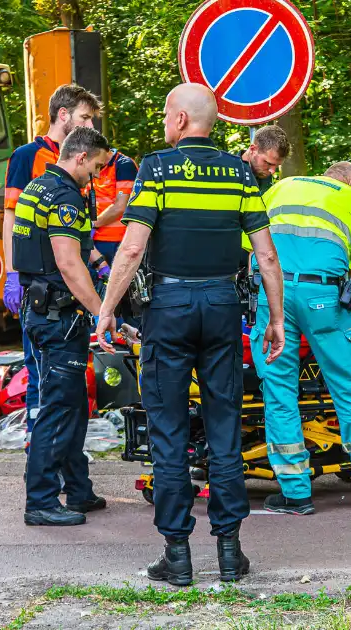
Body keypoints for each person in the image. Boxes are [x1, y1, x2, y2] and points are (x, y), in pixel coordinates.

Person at [95, 83, 287, 586]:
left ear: (180, 119)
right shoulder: (240, 173)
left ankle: (177, 555)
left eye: (165, 114)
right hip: (223, 307)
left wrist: (107, 310)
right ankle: (229, 552)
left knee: (169, 430)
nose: (163, 122)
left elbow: (133, 250)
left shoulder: (155, 169)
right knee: (224, 428)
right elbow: (266, 255)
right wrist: (277, 319)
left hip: (169, 308)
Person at [249, 162, 351, 516]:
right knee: (350, 386)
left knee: (278, 390)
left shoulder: (282, 186)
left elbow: (250, 243)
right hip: (322, 297)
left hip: (271, 292)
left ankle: (295, 493)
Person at [11, 127, 111, 525]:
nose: (99, 175)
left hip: (43, 310)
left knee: (72, 406)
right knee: (58, 408)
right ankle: (40, 501)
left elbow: (78, 250)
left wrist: (104, 267)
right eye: (98, 166)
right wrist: (102, 311)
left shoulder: (39, 187)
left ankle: (79, 490)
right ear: (81, 157)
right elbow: (69, 264)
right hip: (58, 316)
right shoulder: (66, 197)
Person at [1, 84, 102, 450]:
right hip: (44, 285)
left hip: (71, 283)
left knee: (68, 381)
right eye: (84, 116)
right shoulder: (29, 156)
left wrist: (99, 262)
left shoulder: (79, 161)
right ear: (63, 115)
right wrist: (12, 274)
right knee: (42, 375)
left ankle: (65, 461)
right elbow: (12, 217)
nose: (89, 123)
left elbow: (73, 229)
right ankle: (38, 448)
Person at [90, 147, 139, 267]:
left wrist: (92, 224)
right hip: (94, 240)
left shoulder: (124, 165)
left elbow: (120, 207)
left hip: (116, 241)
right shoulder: (93, 165)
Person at [241, 125, 290, 193]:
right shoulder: (225, 171)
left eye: (277, 166)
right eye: (268, 163)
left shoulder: (264, 174)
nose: (272, 171)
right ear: (253, 149)